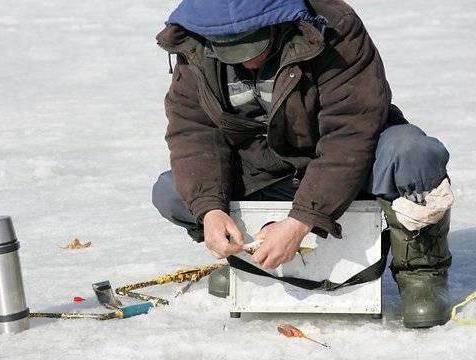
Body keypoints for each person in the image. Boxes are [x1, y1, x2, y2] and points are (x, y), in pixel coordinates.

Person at [152, 0, 453, 328]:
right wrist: (210, 210)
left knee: (412, 154)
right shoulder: (195, 42)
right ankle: (245, 260)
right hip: (265, 168)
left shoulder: (334, 28)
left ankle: (422, 272)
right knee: (175, 192)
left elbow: (350, 134)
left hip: (353, 160)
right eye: (231, 50)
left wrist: (301, 220)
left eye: (255, 45)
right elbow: (194, 133)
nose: (248, 61)